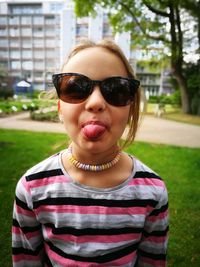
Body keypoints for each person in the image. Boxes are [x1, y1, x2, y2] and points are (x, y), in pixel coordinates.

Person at [12, 39, 169, 267]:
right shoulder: (31, 188)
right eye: (75, 88)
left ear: (130, 110)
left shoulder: (153, 193)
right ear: (60, 109)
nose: (95, 102)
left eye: (115, 90)